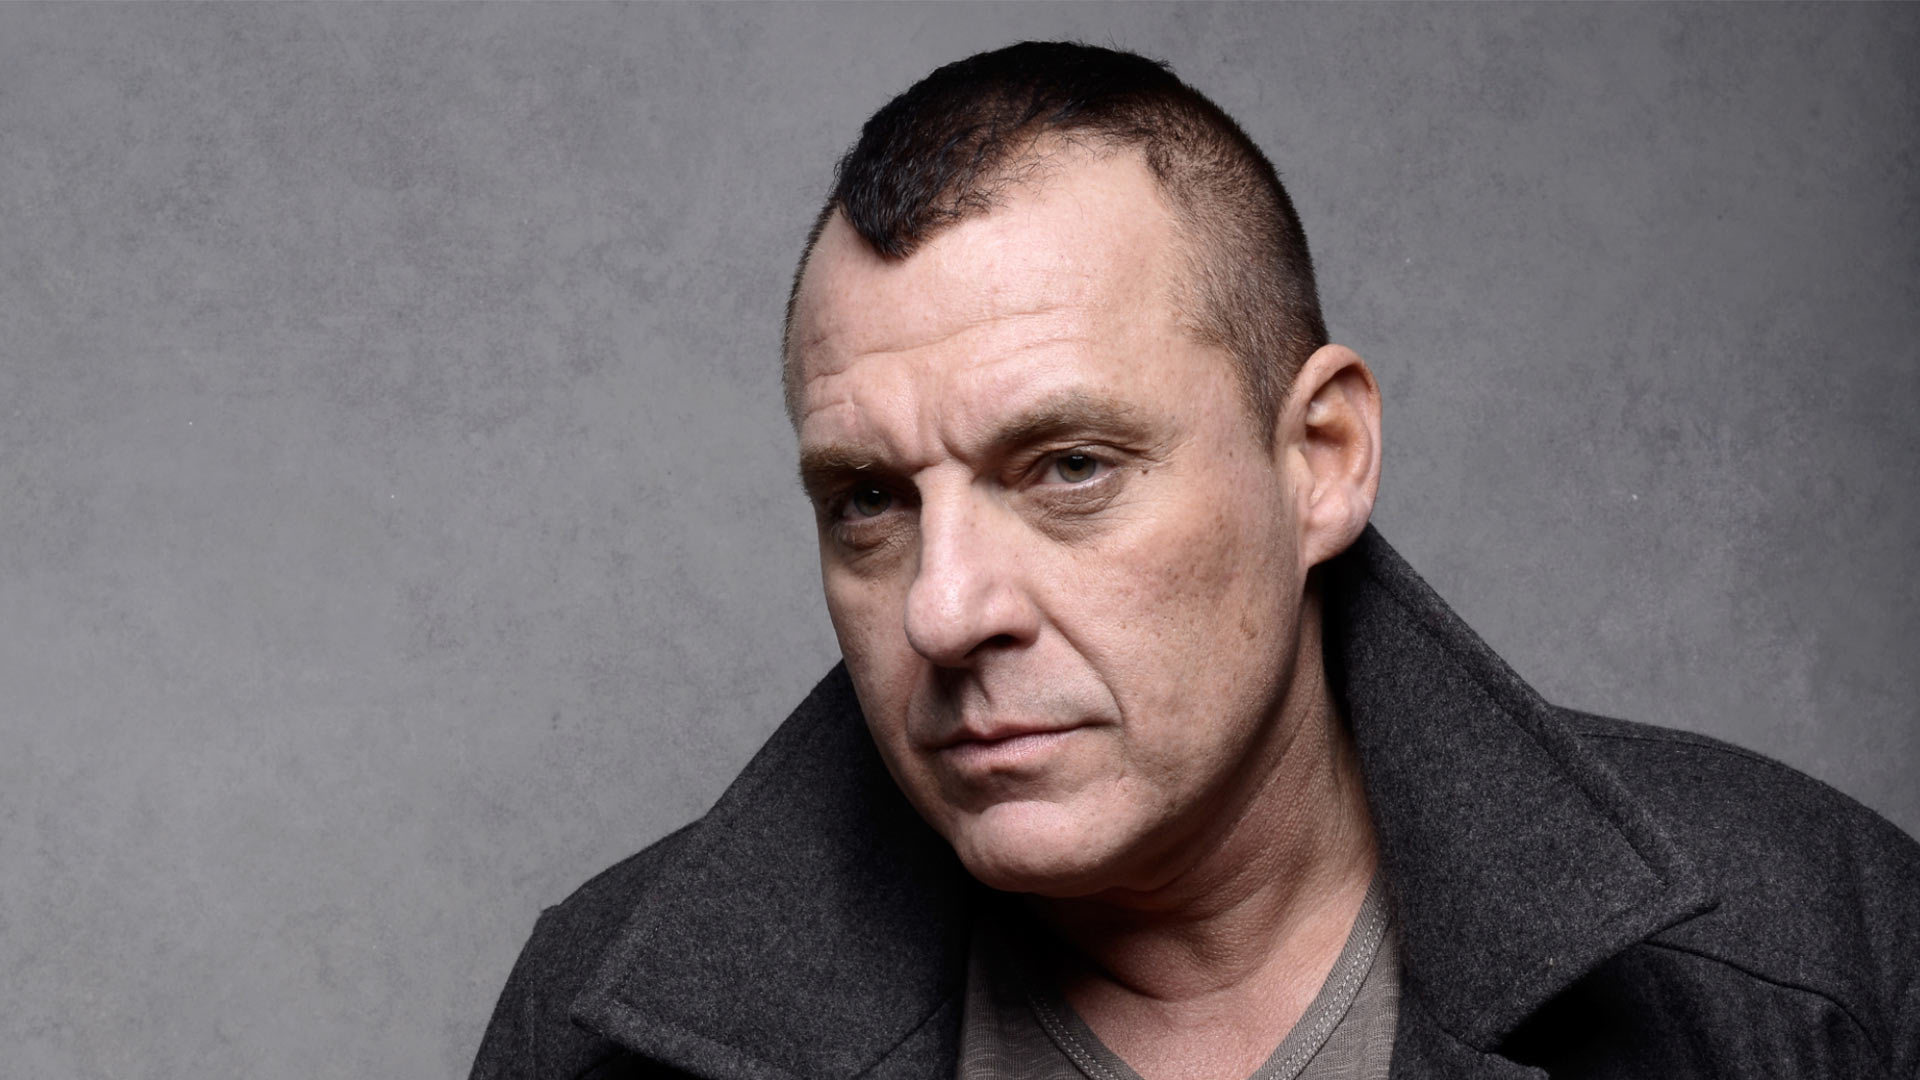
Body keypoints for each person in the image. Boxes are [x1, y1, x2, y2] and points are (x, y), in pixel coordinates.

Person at [471, 42, 1920, 1080]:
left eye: (1069, 468)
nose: (945, 607)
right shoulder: (601, 1026)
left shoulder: (1805, 962)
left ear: (1322, 459)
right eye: (868, 501)